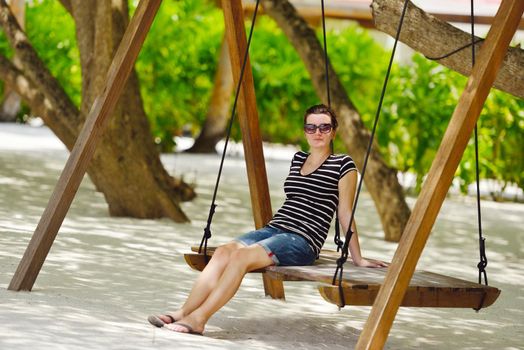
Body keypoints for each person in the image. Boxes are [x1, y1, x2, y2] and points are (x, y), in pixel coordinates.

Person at [148, 104, 387, 335]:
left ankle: (199, 319)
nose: (317, 132)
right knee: (223, 252)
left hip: (302, 240)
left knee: (240, 257)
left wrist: (357, 258)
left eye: (324, 127)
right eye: (311, 127)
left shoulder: (343, 165)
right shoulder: (298, 159)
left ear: (333, 131)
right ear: (304, 131)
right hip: (275, 228)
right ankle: (183, 311)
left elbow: (345, 212)